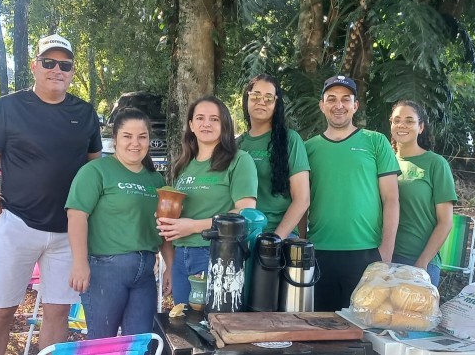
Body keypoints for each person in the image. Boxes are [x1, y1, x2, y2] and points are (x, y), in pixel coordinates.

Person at [0, 33, 102, 355]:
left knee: (58, 313)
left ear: (72, 71)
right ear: (35, 66)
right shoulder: (7, 107)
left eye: (65, 65)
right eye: (49, 62)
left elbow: (95, 169)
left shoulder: (86, 113)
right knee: (0, 311)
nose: (57, 70)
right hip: (16, 224)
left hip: (68, 233)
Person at [66, 108, 172, 338]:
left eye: (142, 136)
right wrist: (79, 263)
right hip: (105, 270)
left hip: (146, 272)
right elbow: (76, 216)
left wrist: (170, 267)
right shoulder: (96, 171)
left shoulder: (156, 179)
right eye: (127, 136)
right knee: (102, 344)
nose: (135, 143)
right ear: (115, 139)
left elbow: (164, 226)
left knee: (140, 344)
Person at [304, 75, 400, 312]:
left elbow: (391, 199)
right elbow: (301, 201)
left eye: (346, 99)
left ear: (355, 105)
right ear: (322, 105)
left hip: (366, 254)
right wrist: (304, 242)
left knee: (362, 328)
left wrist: (385, 254)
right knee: (320, 327)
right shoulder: (308, 148)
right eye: (331, 99)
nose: (339, 105)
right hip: (319, 253)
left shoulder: (376, 142)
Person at [157, 96, 258, 305]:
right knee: (183, 321)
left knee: (212, 321)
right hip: (180, 257)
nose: (206, 124)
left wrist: (194, 226)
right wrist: (170, 264)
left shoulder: (239, 160)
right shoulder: (183, 165)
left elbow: (246, 212)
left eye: (214, 119)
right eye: (200, 118)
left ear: (225, 125)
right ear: (191, 125)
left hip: (217, 254)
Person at [389, 101, 457, 287]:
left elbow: (445, 222)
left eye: (409, 121)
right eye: (397, 120)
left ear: (421, 127)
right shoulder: (383, 162)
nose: (402, 125)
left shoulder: (436, 164)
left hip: (417, 262)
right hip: (383, 258)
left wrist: (422, 262)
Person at [238, 74, 310, 239]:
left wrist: (275, 239)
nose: (261, 101)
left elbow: (302, 199)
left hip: (280, 236)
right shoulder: (236, 145)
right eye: (256, 96)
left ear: (277, 104)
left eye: (269, 98)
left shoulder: (290, 140)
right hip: (239, 236)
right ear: (247, 98)